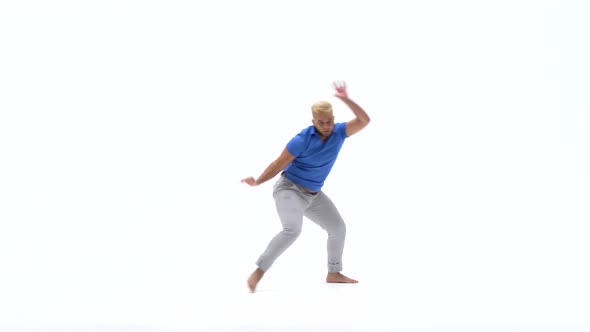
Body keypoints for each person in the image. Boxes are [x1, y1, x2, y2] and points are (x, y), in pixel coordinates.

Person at [241, 81, 370, 293]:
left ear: (333, 120)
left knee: (338, 228)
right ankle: (258, 272)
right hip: (289, 189)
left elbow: (364, 120)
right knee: (292, 230)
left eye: (329, 121)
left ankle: (334, 272)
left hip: (314, 195)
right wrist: (258, 181)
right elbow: (278, 164)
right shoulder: (301, 140)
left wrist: (346, 99)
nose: (326, 126)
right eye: (321, 122)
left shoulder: (339, 133)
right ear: (313, 122)